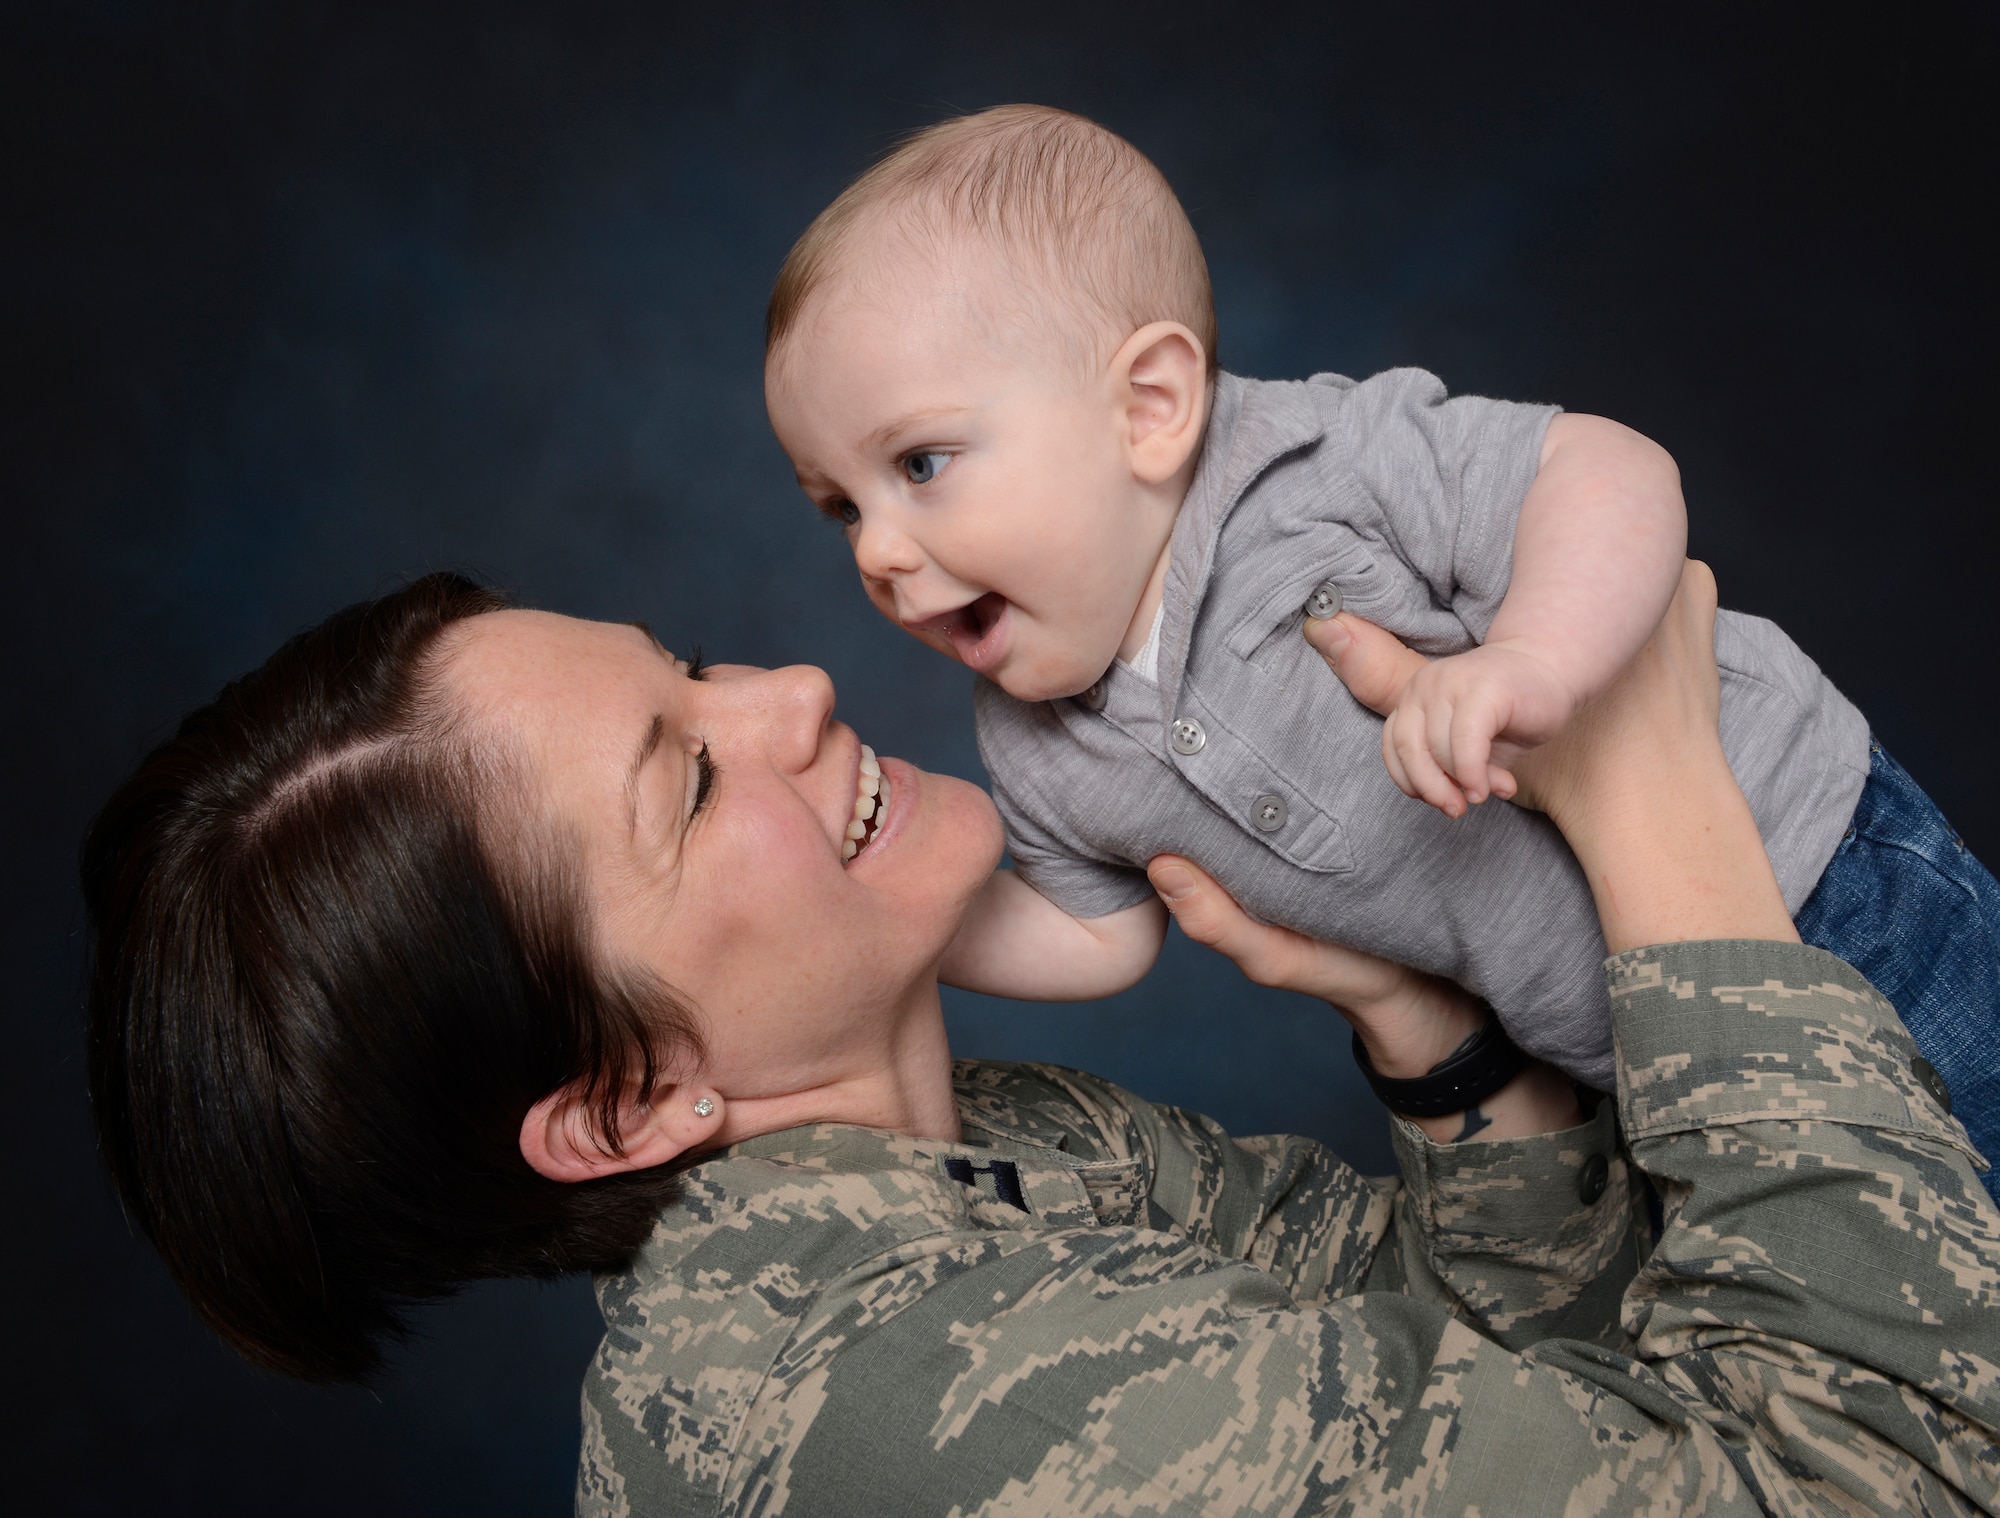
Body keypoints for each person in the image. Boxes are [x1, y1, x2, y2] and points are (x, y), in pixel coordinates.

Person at [84, 561, 1999, 1514]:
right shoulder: (894, 1401)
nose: (794, 690)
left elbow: (1534, 1395)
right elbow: (1880, 1476)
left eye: (692, 668)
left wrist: (1425, 1030)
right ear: (626, 1097)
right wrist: (1663, 819)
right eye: (686, 776)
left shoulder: (969, 1151)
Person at [761, 104, 2000, 1191]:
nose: (874, 549)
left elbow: (1606, 468)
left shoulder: (1317, 466)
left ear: (1148, 408)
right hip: (1634, 1052)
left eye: (918, 464)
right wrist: (874, 918)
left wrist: (1532, 660)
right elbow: (1096, 937)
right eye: (842, 507)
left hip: (1820, 884)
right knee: (1914, 1335)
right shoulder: (1036, 737)